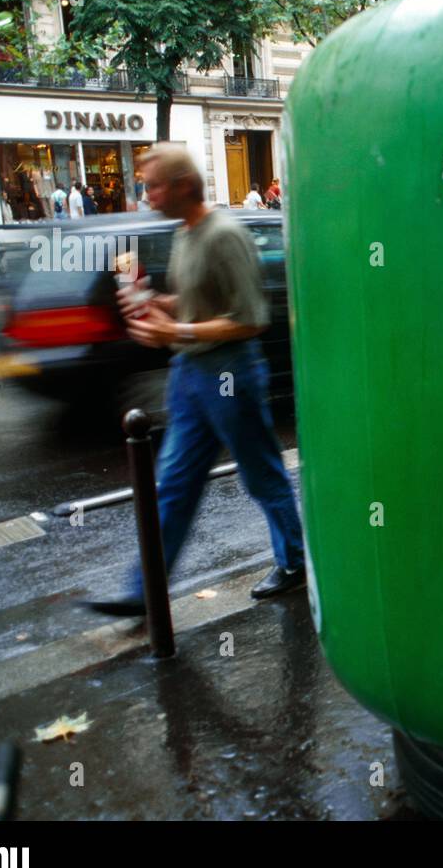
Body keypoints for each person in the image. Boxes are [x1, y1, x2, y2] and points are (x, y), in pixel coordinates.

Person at [88, 144, 306, 615]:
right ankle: (143, 591)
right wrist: (156, 303)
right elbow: (197, 301)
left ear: (184, 185)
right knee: (174, 482)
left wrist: (175, 329)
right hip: (189, 372)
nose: (147, 196)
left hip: (230, 371)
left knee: (261, 473)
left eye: (154, 185)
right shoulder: (184, 233)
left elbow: (250, 319)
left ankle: (293, 562)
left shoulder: (224, 235)